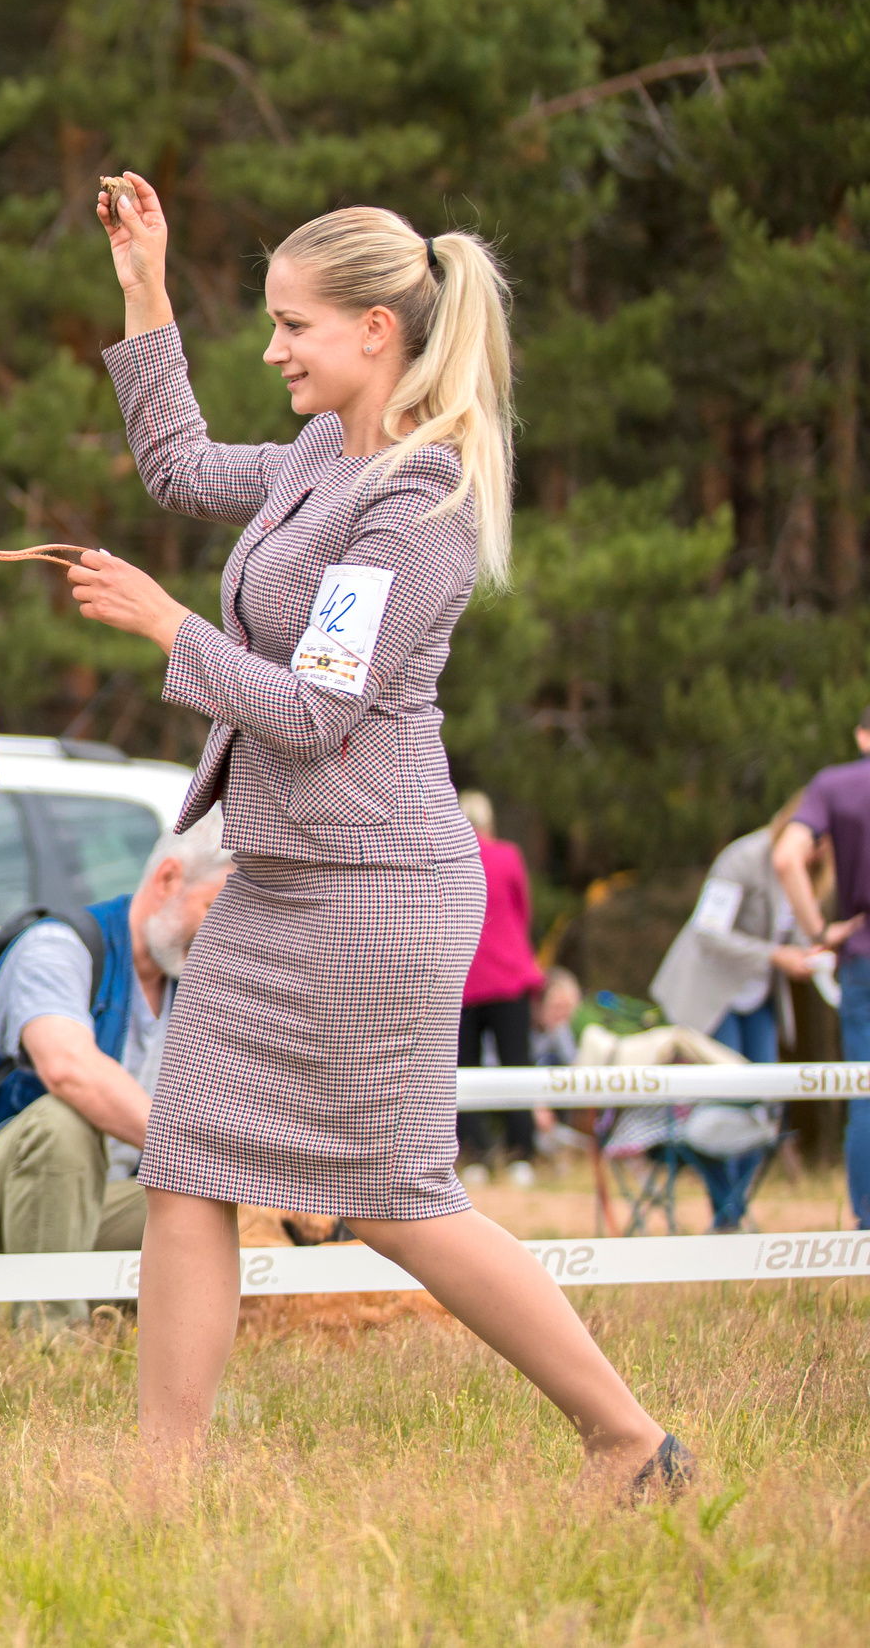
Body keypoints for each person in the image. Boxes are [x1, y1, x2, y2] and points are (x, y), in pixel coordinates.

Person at [68, 175, 686, 1494]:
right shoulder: (316, 457)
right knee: (186, 1162)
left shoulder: (420, 504)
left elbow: (311, 713)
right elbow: (178, 467)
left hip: (378, 891)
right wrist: (143, 282)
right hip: (279, 884)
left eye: (294, 325)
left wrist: (165, 625)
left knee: (394, 1201)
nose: (273, 350)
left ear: (377, 331)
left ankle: (632, 1442)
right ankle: (160, 1481)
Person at [0, 812, 233, 1327]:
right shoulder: (57, 945)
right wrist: (195, 1154)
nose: (224, 936)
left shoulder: (199, 983)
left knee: (230, 1204)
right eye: (214, 911)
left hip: (111, 1195)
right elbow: (69, 1069)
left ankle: (143, 1323)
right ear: (168, 879)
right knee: (63, 1122)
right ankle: (51, 1340)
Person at [655, 799, 816, 1228]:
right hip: (712, 995)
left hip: (759, 998)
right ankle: (726, 1212)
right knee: (720, 1106)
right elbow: (708, 933)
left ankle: (734, 1206)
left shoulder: (808, 870)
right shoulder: (742, 858)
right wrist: (775, 956)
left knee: (764, 1104)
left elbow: (797, 931)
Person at [772, 713, 870, 1230]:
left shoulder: (835, 785)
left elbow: (788, 858)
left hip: (863, 957)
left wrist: (818, 929)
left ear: (862, 735)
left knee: (866, 1093)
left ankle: (867, 1228)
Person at [456, 788, 544, 1182]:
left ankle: (474, 1154)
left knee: (463, 1069)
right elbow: (523, 912)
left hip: (463, 979)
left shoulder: (449, 858)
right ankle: (521, 1152)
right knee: (516, 1064)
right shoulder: (508, 855)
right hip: (509, 975)